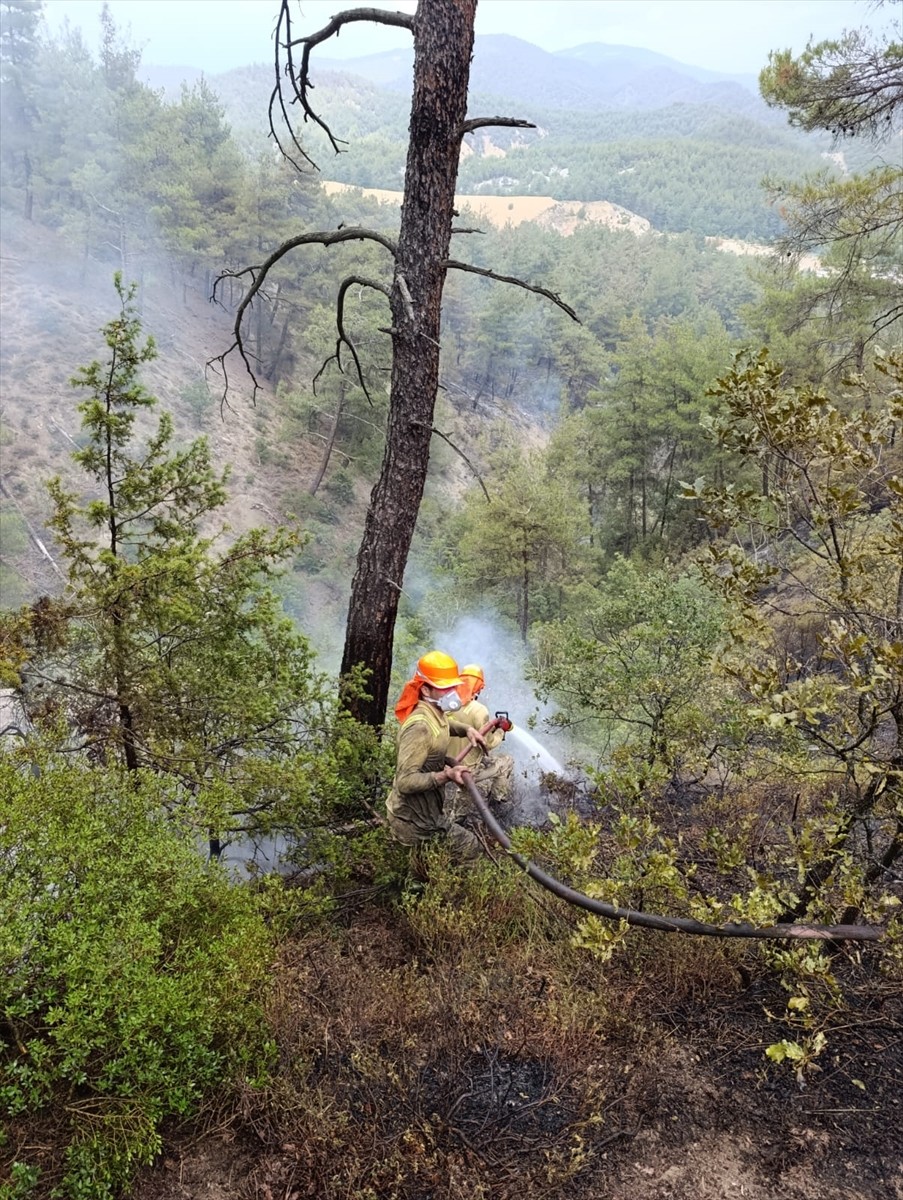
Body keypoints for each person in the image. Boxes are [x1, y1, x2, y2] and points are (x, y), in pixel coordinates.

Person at [386, 650, 489, 865]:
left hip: (426, 814)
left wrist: (467, 730)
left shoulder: (434, 713)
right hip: (413, 821)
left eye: (453, 686)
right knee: (469, 848)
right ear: (425, 689)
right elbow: (405, 781)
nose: (453, 693)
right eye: (445, 688)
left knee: (426, 867)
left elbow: (444, 725)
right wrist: (447, 775)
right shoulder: (420, 727)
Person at [445, 664, 515, 822]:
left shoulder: (448, 704)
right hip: (465, 769)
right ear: (479, 687)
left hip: (444, 762)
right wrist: (500, 731)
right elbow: (487, 744)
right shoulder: (479, 710)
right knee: (506, 762)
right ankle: (497, 803)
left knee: (484, 760)